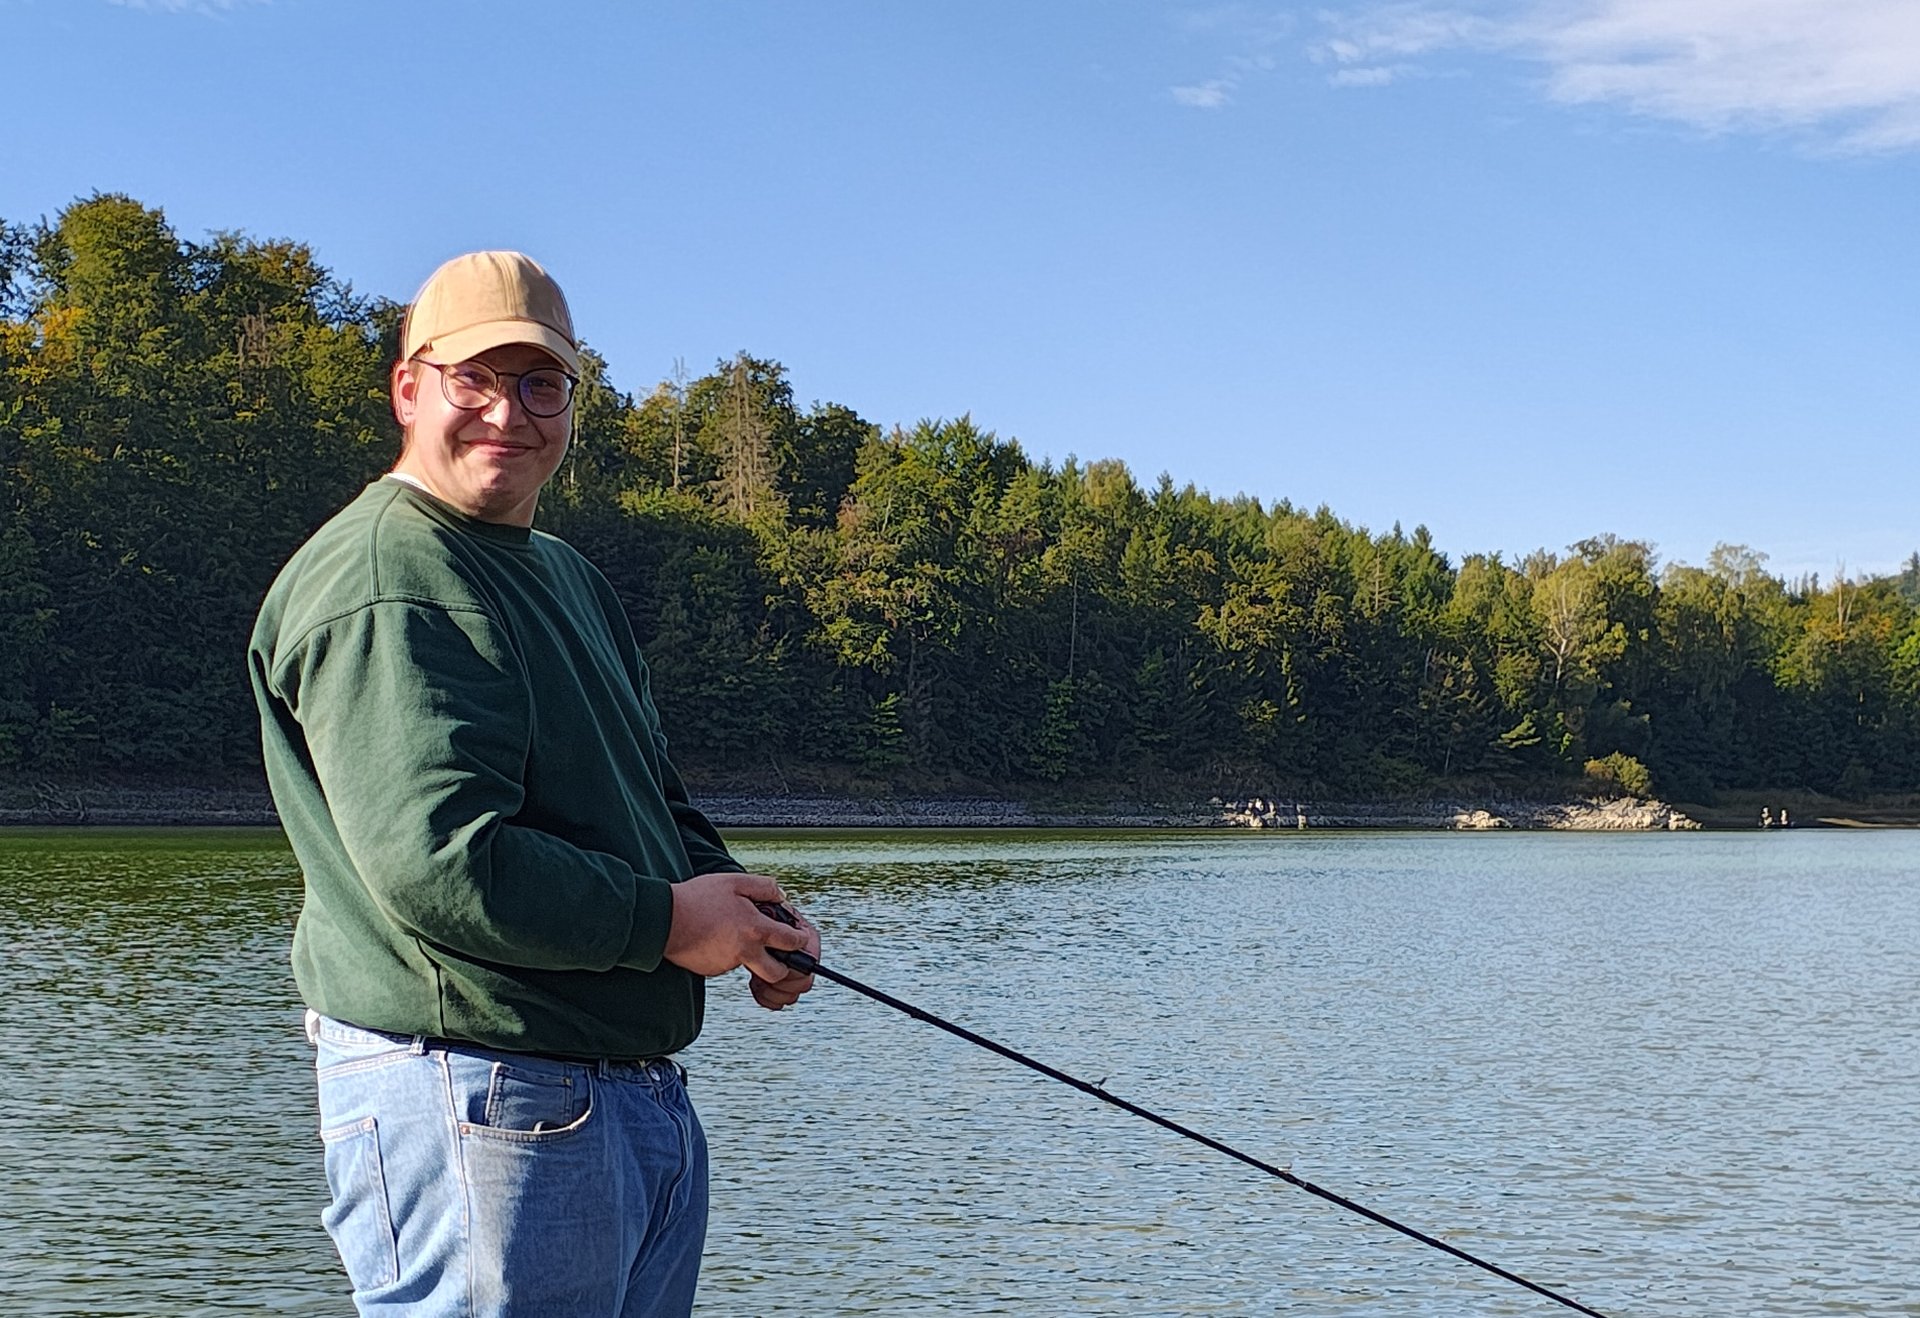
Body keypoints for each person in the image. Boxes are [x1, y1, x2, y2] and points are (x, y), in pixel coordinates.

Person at [248, 250, 818, 1317]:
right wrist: (662, 922)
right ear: (409, 389)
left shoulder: (567, 576)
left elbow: (650, 795)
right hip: (478, 1094)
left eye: (540, 384)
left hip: (623, 1099)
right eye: (476, 378)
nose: (508, 412)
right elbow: (441, 863)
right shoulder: (386, 575)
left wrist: (742, 910)